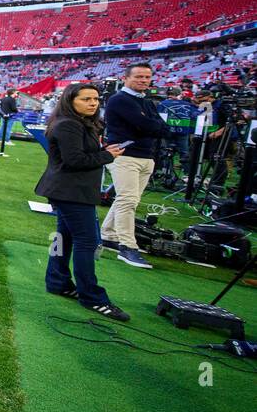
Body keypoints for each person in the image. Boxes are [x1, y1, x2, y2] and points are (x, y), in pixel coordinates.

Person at [36, 83, 130, 320]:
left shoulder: (77, 123)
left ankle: (57, 281)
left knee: (63, 238)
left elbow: (79, 155)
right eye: (86, 99)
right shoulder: (69, 124)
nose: (93, 103)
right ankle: (92, 297)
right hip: (71, 191)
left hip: (69, 190)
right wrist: (107, 155)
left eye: (96, 99)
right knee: (86, 242)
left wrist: (103, 150)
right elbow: (75, 160)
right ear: (71, 101)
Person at [100, 63, 172, 268]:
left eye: (147, 77)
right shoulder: (119, 99)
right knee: (128, 200)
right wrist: (149, 126)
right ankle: (127, 247)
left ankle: (109, 235)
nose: (143, 80)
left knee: (127, 199)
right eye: (139, 76)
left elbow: (162, 128)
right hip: (125, 156)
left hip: (145, 157)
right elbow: (149, 126)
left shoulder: (146, 102)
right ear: (126, 78)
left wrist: (149, 126)